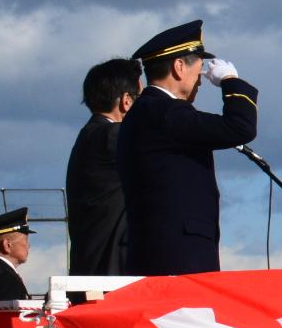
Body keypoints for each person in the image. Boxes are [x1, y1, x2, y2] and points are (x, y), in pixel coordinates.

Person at [117, 20, 257, 276]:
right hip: (177, 255)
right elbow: (240, 127)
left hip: (164, 249)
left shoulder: (147, 112)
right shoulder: (164, 112)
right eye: (199, 71)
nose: (201, 82)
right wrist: (230, 81)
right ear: (179, 67)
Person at [66, 58, 141, 279]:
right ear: (127, 101)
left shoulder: (90, 135)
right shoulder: (114, 136)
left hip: (92, 263)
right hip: (112, 266)